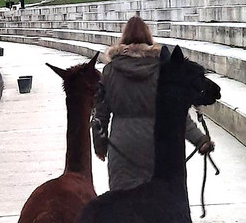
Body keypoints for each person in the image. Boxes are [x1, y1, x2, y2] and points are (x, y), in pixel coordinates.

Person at [92, 16, 215, 191]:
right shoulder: (162, 71)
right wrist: (199, 139)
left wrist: (100, 146)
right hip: (158, 146)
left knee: (123, 205)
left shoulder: (109, 72)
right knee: (159, 206)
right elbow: (176, 112)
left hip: (122, 147)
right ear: (149, 38)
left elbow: (100, 115)